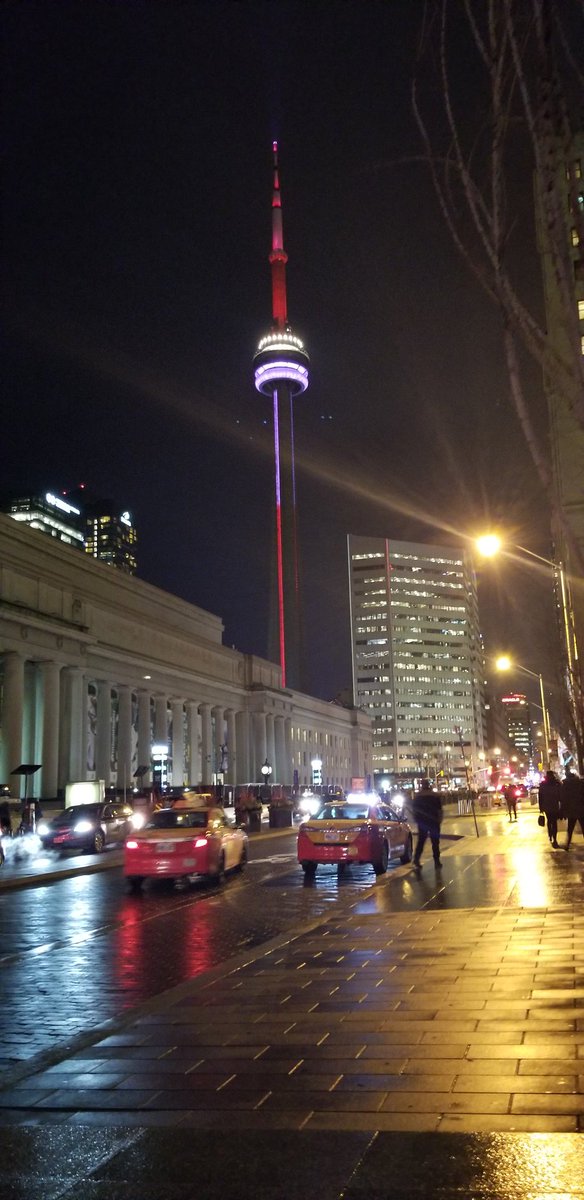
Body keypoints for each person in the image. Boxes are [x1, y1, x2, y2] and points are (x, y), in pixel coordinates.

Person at [412, 779, 443, 869]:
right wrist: (439, 820)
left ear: (422, 785)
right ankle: (437, 861)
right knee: (435, 842)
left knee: (421, 842)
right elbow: (439, 809)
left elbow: (415, 810)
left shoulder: (418, 797)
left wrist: (417, 820)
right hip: (433, 821)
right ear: (429, 785)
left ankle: (416, 860)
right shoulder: (434, 796)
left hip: (423, 822)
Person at [561, 768, 584, 849]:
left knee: (570, 828)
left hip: (571, 810)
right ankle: (567, 844)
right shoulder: (580, 783)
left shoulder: (566, 785)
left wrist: (563, 810)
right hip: (581, 809)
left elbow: (563, 799)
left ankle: (567, 844)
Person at [538, 769, 562, 848]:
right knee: (554, 822)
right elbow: (560, 795)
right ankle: (554, 838)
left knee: (549, 821)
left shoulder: (543, 784)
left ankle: (550, 835)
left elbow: (540, 797)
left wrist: (541, 808)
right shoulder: (556, 783)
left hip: (546, 805)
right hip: (554, 805)